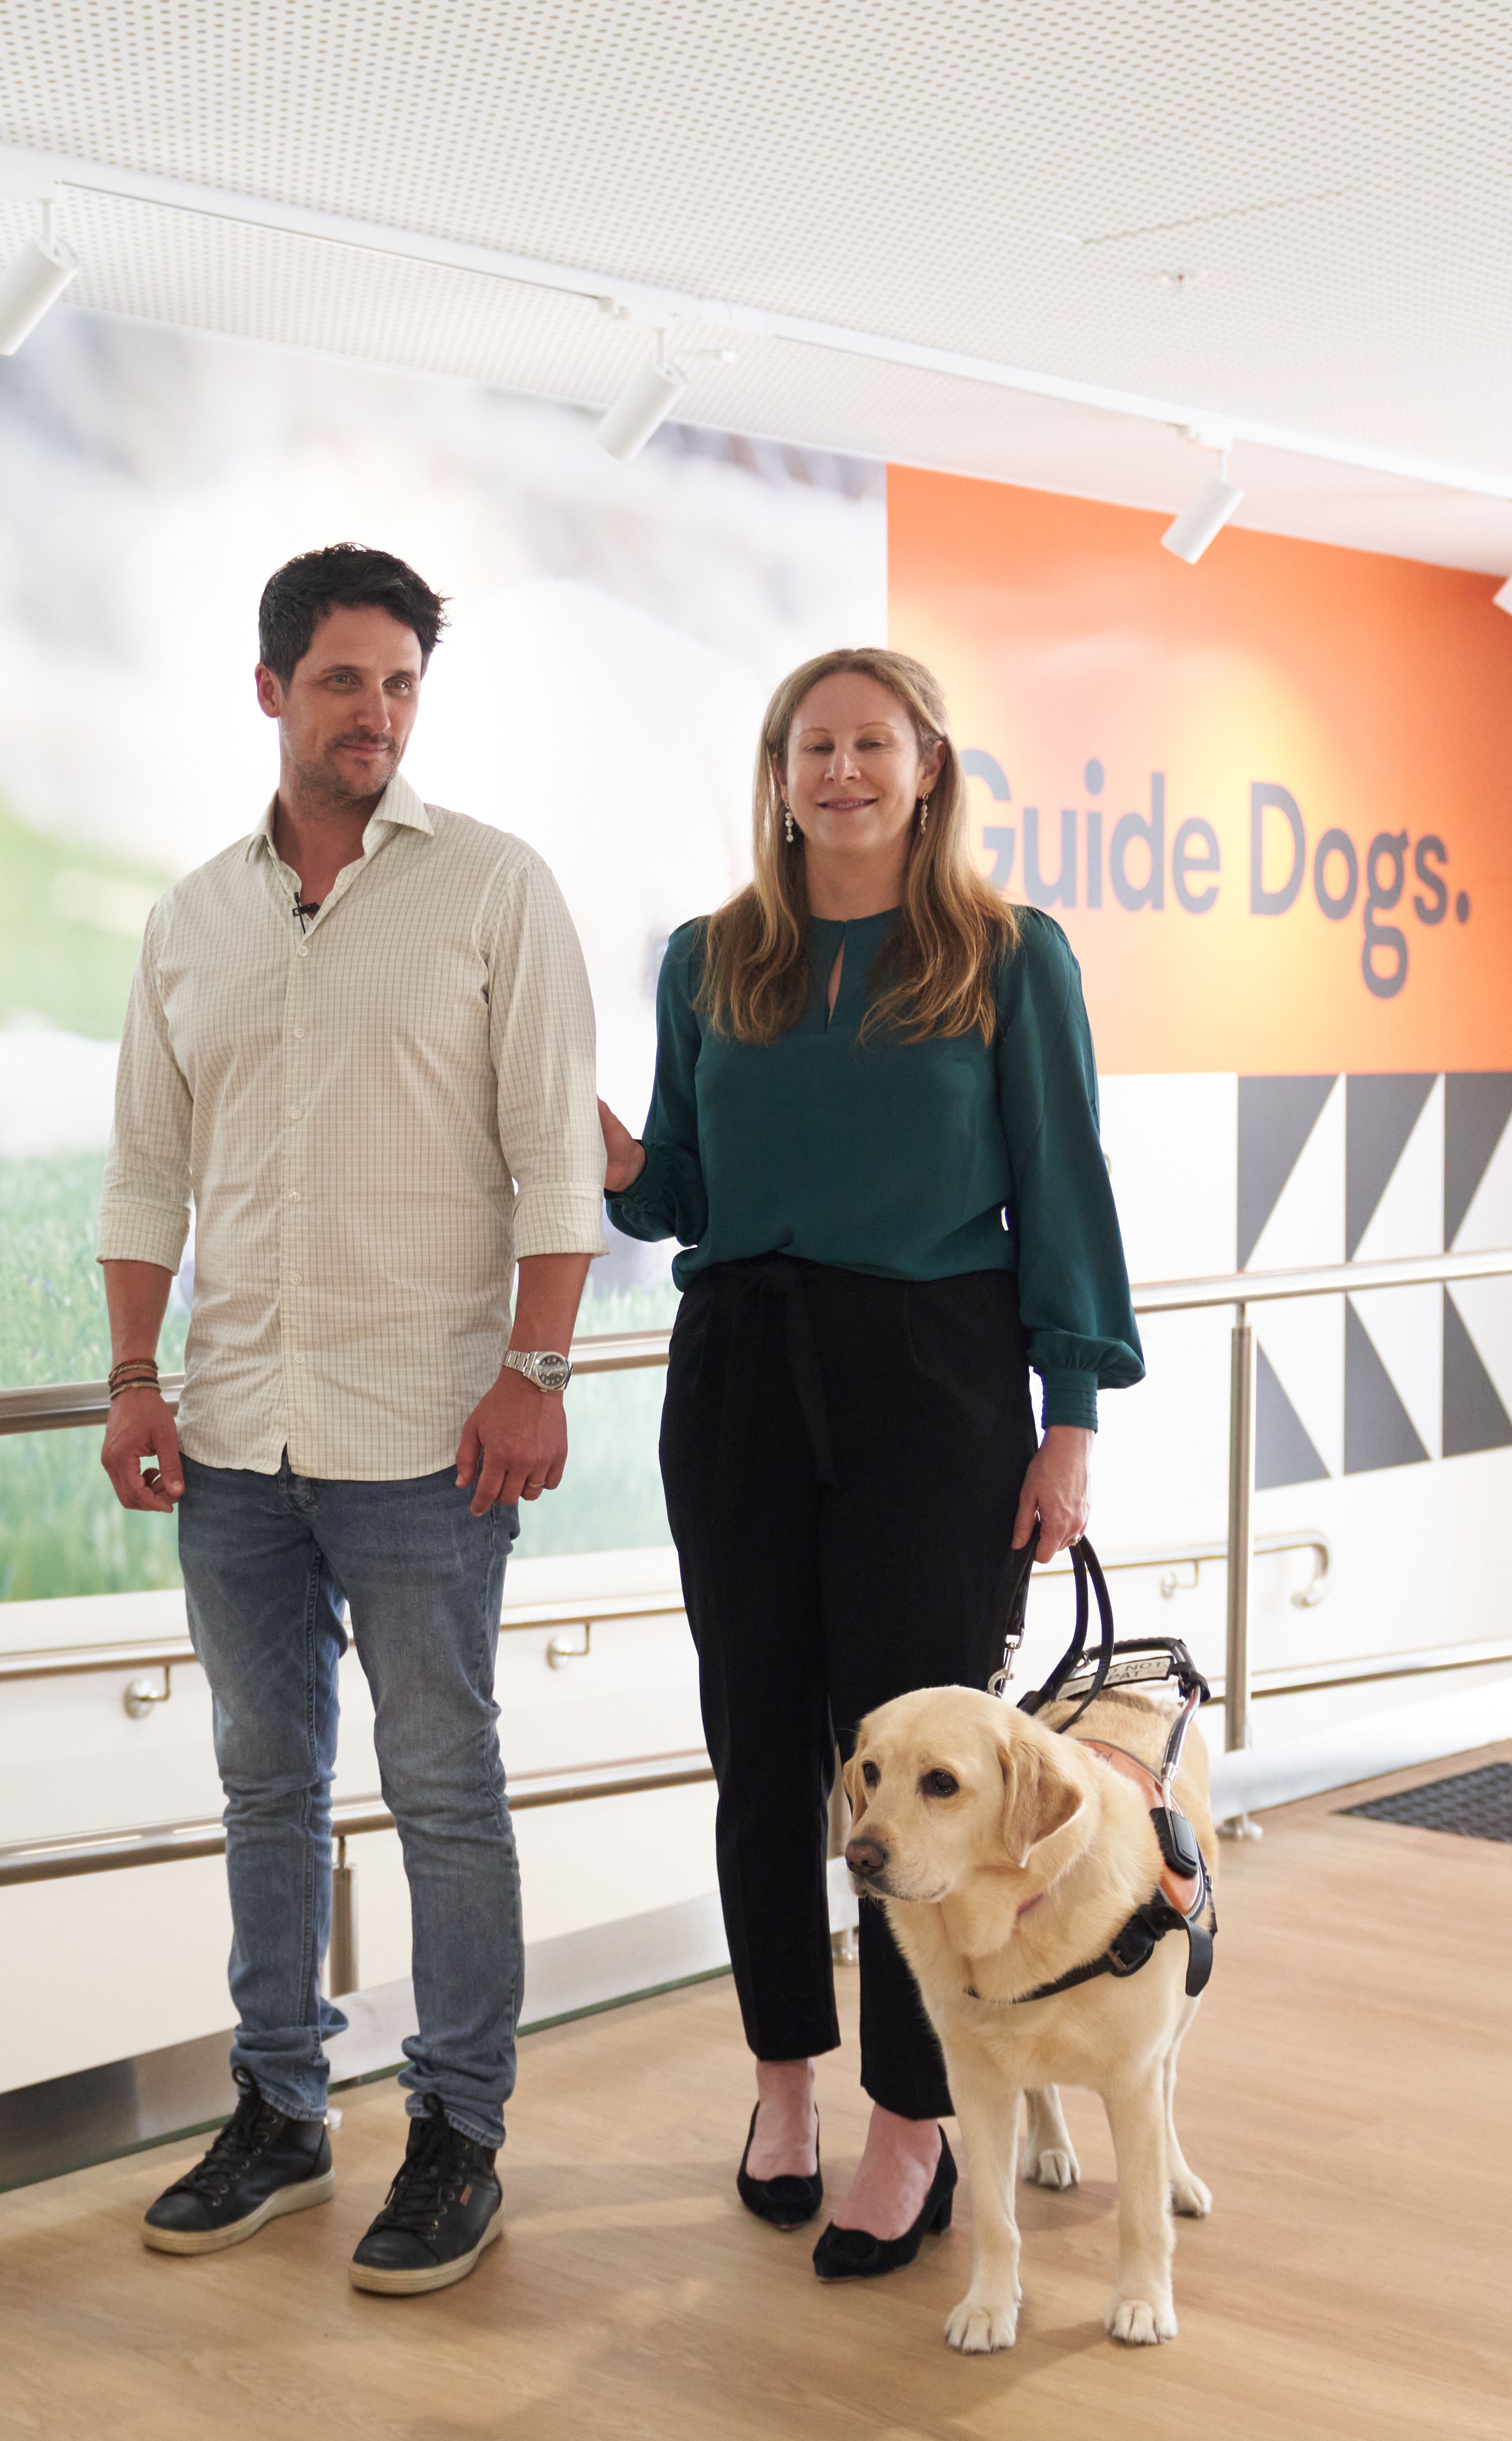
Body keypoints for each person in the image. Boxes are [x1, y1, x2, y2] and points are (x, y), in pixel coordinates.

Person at [97, 544, 603, 2296]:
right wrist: (131, 1374)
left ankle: (454, 2129)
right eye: (339, 682)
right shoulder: (190, 918)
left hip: (426, 1436)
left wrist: (533, 1373)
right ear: (268, 693)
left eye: (395, 683)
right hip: (232, 1427)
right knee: (262, 1785)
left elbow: (556, 1157)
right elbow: (144, 1167)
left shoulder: (490, 891)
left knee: (443, 1789)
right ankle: (278, 2106)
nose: (371, 712)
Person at [602, 646, 1141, 2281]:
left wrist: (1069, 1418)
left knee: (913, 1773)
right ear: (776, 773)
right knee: (758, 1748)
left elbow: (1061, 1180)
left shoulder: (1003, 954)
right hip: (739, 1374)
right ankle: (780, 2081)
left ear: (924, 767)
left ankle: (909, 2116)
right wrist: (614, 1162)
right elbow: (679, 1190)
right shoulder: (707, 959)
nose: (836, 768)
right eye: (809, 744)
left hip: (933, 1381)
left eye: (867, 743)